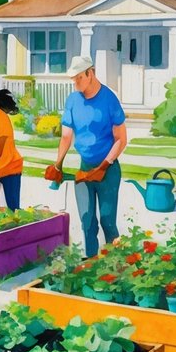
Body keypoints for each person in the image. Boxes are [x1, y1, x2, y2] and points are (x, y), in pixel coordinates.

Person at [50, 56, 128, 258]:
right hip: (84, 168)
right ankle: (92, 264)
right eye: (73, 79)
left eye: (78, 78)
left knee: (108, 220)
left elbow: (121, 139)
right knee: (87, 220)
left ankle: (117, 265)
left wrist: (102, 167)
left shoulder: (109, 100)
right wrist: (57, 165)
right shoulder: (73, 100)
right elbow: (66, 136)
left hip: (108, 170)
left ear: (90, 73)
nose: (75, 83)